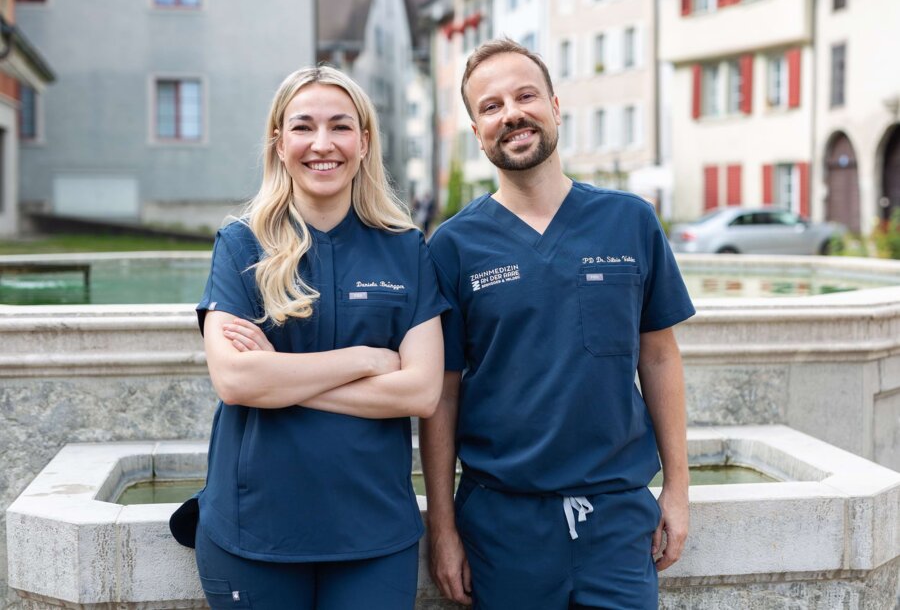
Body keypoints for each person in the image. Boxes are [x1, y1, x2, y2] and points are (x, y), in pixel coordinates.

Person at [421, 38, 696, 609]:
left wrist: (678, 488)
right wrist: (444, 531)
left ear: (554, 106)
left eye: (525, 96)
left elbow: (660, 358)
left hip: (620, 522)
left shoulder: (630, 222)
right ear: (477, 131)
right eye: (490, 106)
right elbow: (442, 394)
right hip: (502, 525)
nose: (511, 113)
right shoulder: (452, 246)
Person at [169, 65, 448, 610]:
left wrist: (283, 379)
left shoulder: (406, 249)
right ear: (279, 141)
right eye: (303, 127)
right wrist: (366, 359)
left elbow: (420, 393)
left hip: (374, 535)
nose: (323, 144)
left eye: (341, 127)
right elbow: (235, 379)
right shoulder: (240, 244)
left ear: (364, 142)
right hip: (253, 533)